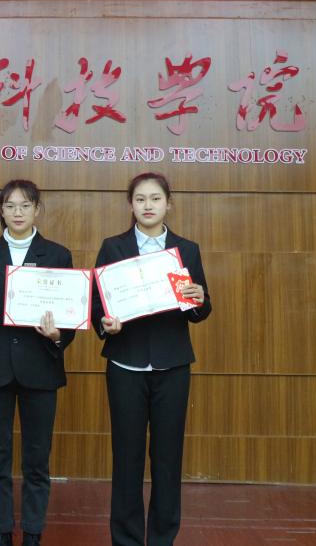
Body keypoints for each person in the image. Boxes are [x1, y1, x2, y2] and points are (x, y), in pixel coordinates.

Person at [90, 173, 211, 546]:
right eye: (140, 199)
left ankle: (162, 538)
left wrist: (198, 300)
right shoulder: (113, 247)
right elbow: (97, 305)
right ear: (130, 204)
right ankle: (126, 539)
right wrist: (105, 323)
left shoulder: (186, 250)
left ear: (168, 203)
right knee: (126, 457)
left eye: (155, 198)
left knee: (168, 458)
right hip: (125, 364)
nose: (148, 205)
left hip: (172, 365)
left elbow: (200, 307)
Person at [0, 179, 75, 546]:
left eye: (25, 205)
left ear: (37, 210)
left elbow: (70, 317)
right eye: (10, 206)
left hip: (40, 368)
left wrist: (57, 334)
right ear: (1, 210)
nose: (17, 212)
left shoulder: (57, 255)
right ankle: (1, 531)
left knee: (37, 459)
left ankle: (32, 532)